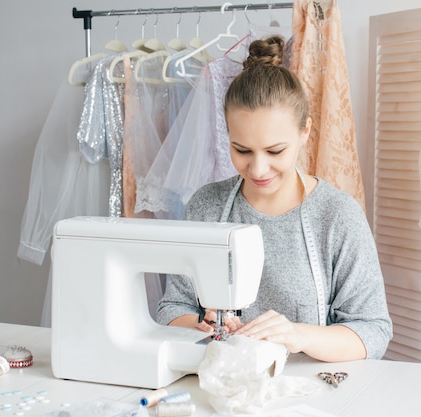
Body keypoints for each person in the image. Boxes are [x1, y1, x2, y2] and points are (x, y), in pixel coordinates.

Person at [156, 35, 392, 362]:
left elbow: (373, 331)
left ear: (304, 131)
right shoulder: (206, 207)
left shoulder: (338, 217)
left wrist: (296, 334)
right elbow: (173, 307)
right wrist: (199, 324)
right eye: (242, 150)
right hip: (225, 385)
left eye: (275, 150)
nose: (258, 168)